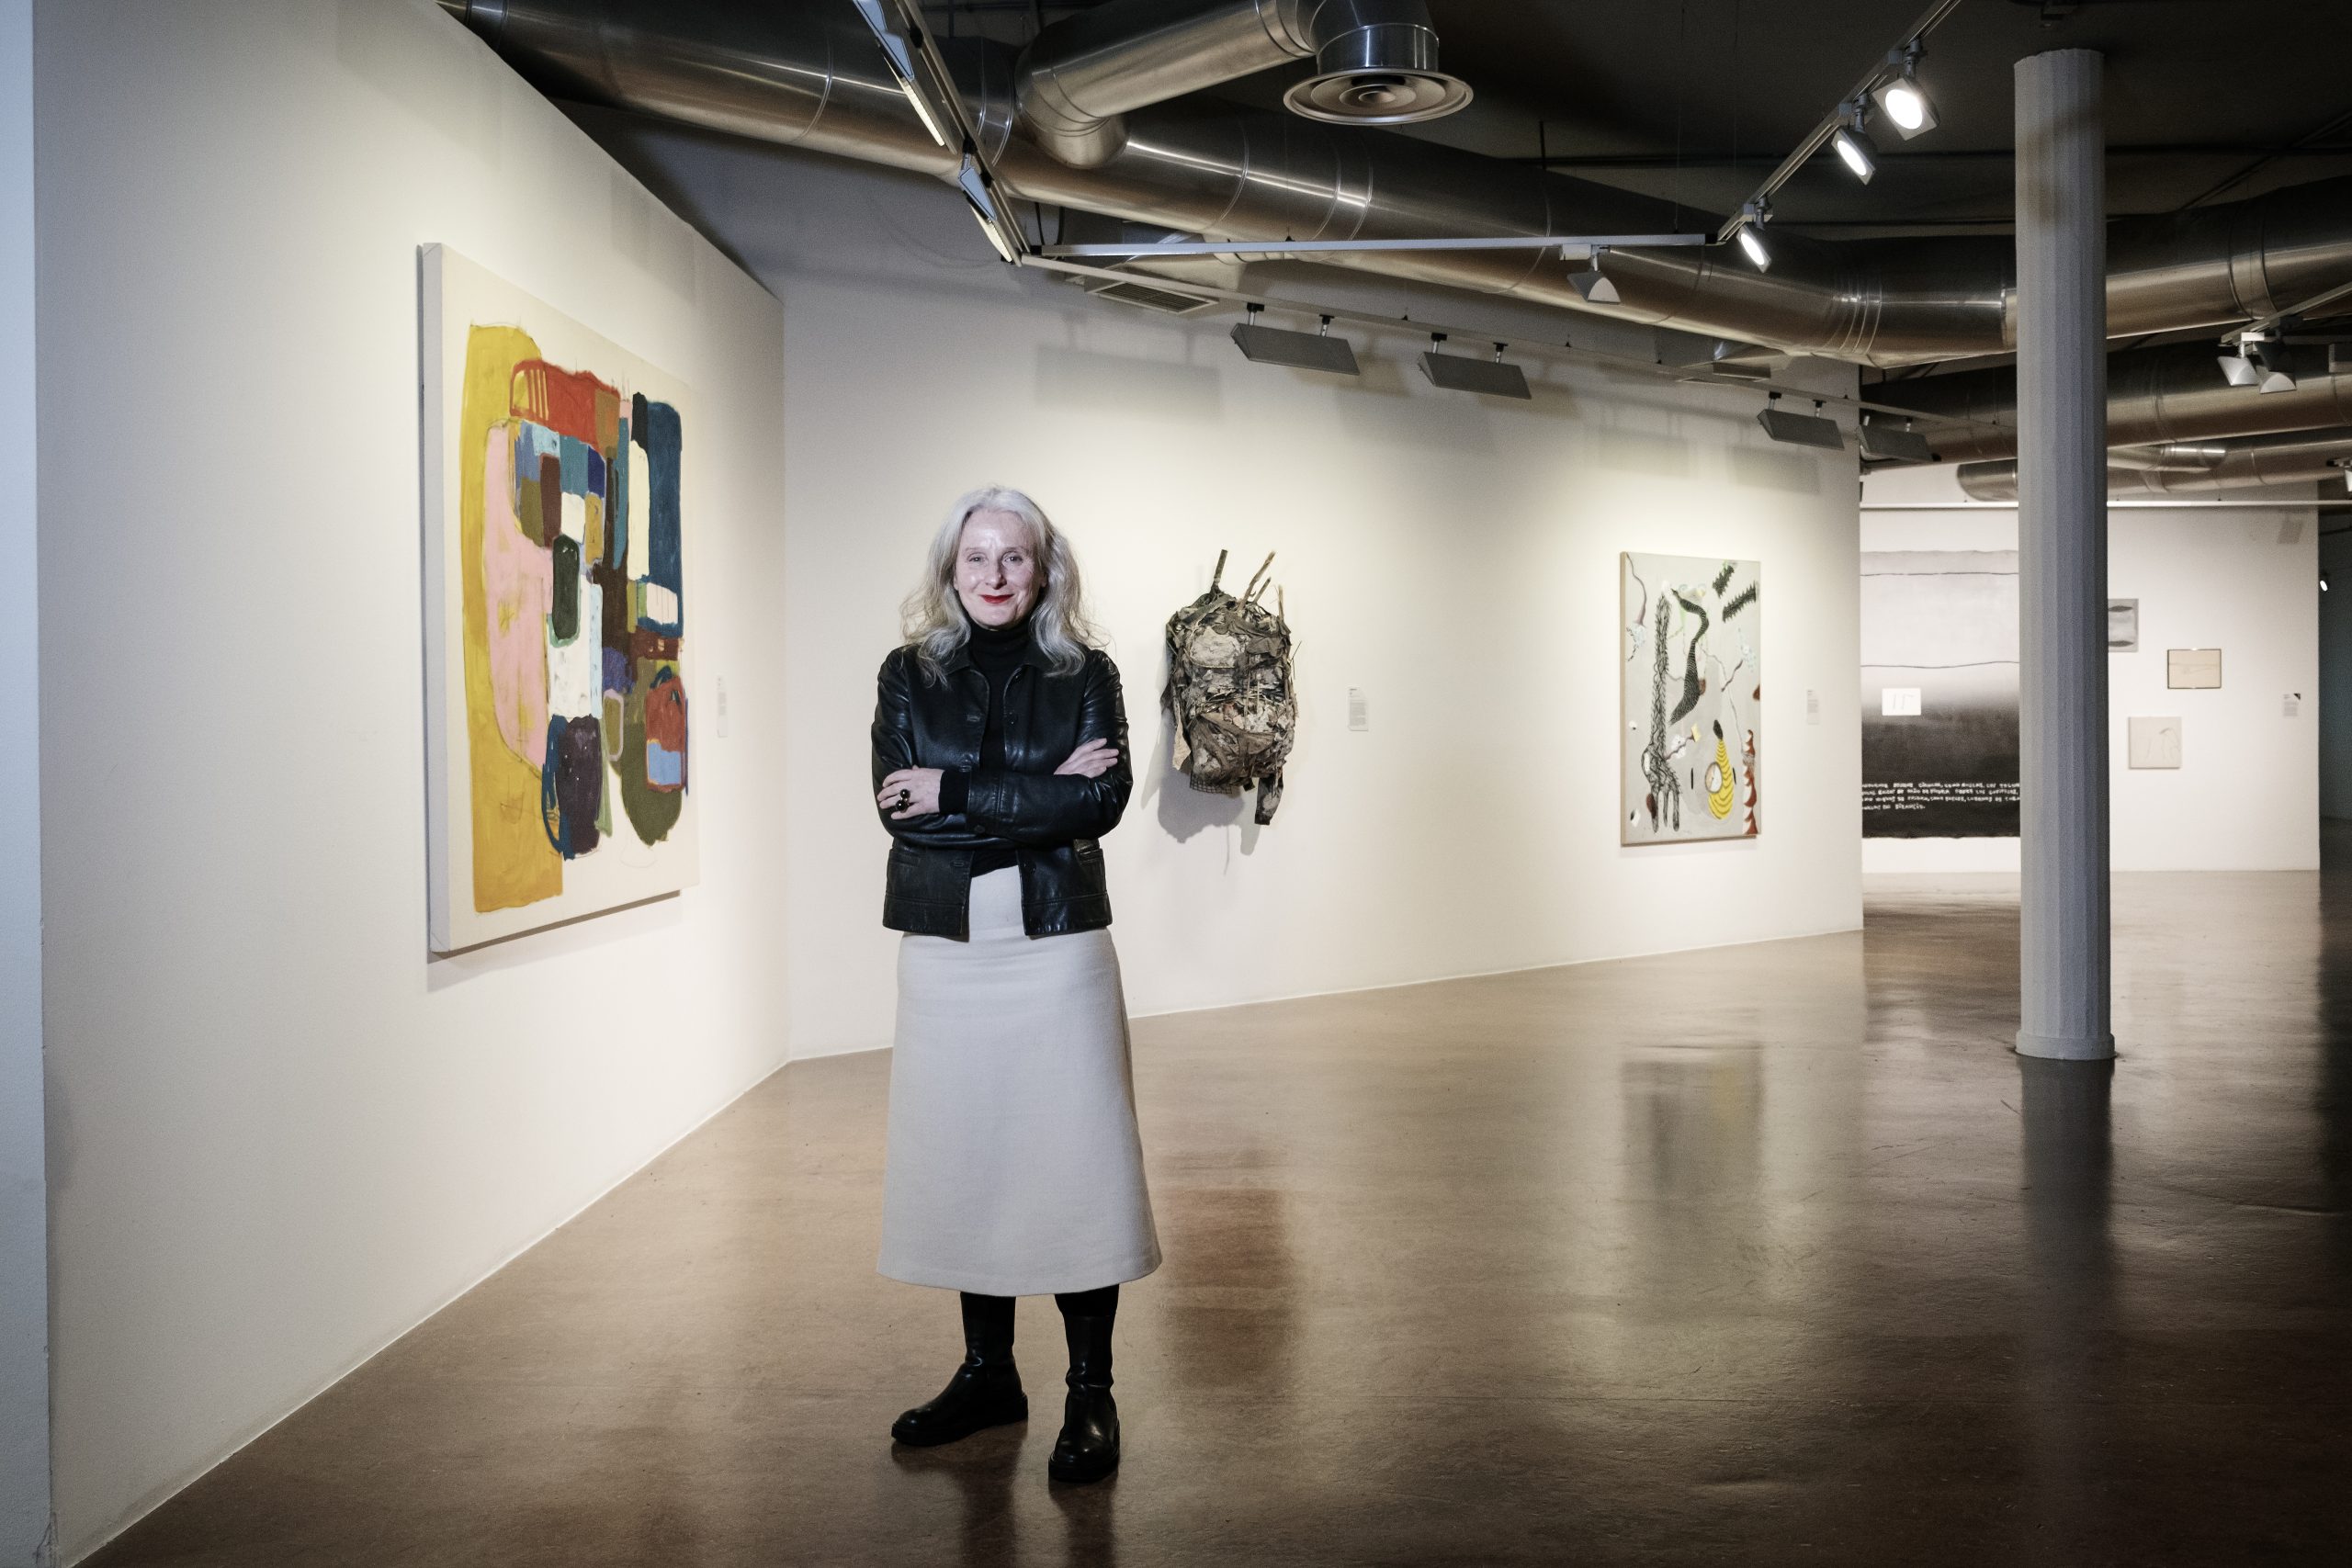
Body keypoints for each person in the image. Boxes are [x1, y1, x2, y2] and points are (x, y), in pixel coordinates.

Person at [870, 485, 1159, 1484]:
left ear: (1044, 570)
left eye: (1014, 557)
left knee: (1076, 1161)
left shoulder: (1089, 672)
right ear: (950, 570)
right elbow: (896, 812)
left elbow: (1103, 799)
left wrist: (953, 787)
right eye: (976, 558)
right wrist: (1043, 795)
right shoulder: (907, 673)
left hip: (1058, 943)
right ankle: (989, 1373)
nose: (994, 576)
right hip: (946, 947)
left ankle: (1090, 1391)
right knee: (970, 1158)